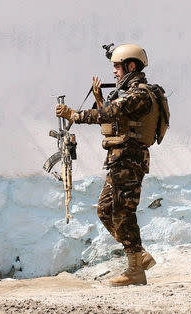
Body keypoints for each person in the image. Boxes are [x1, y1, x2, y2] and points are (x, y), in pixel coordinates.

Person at [56, 44, 158, 286]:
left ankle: (135, 269)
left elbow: (109, 114)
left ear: (131, 66)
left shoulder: (139, 95)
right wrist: (100, 97)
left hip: (130, 159)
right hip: (119, 159)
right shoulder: (128, 93)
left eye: (117, 66)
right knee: (105, 210)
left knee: (124, 212)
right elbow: (110, 114)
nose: (114, 72)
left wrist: (74, 115)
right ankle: (138, 255)